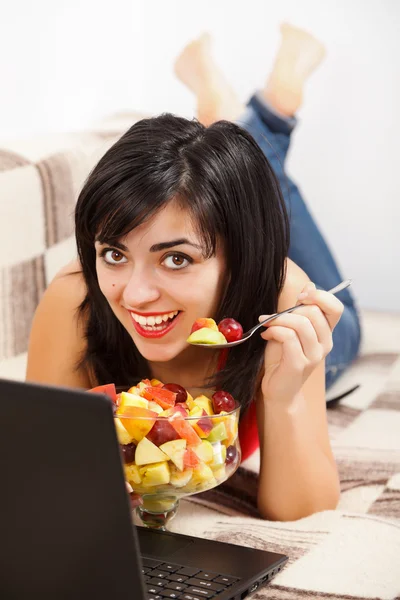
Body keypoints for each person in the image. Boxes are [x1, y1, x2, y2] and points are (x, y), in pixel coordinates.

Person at [26, 24, 361, 521]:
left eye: (176, 258)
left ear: (239, 258)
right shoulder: (75, 297)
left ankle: (260, 109)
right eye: (115, 254)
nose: (136, 295)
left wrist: (286, 398)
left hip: (327, 339)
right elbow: (39, 476)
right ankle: (235, 113)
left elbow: (303, 513)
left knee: (340, 319)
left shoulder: (287, 301)